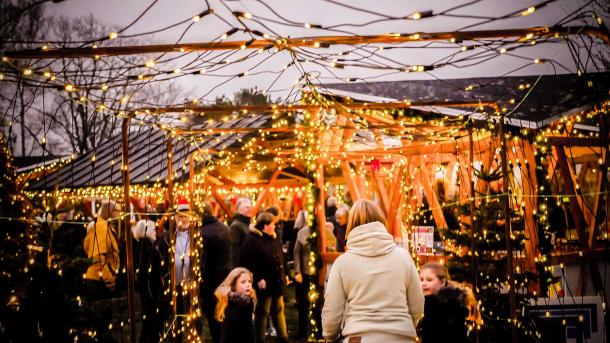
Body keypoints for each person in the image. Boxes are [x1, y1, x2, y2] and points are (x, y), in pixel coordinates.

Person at [322, 199, 424, 343]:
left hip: (359, 336)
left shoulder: (342, 263)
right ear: (381, 221)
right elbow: (417, 305)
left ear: (351, 225)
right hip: (401, 337)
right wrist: (402, 328)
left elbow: (332, 314)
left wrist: (330, 336)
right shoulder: (403, 258)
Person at [239, 212, 289, 343]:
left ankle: (283, 337)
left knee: (278, 309)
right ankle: (259, 339)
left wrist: (287, 274)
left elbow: (282, 257)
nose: (275, 226)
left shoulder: (274, 237)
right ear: (265, 226)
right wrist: (258, 278)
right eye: (272, 224)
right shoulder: (251, 240)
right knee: (262, 312)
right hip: (264, 283)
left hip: (277, 281)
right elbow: (248, 262)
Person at [82, 199, 121, 342]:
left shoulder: (105, 227)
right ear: (110, 212)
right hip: (98, 280)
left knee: (102, 322)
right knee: (102, 322)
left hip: (98, 278)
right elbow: (98, 257)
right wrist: (109, 279)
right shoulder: (102, 227)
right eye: (117, 212)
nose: (119, 215)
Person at [418, 262, 480, 343]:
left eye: (429, 280)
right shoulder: (428, 304)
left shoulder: (449, 307)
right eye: (421, 280)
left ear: (442, 282)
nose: (423, 283)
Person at [201, 204, 232, 343]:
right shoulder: (225, 228)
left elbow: (203, 261)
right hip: (226, 277)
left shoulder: (203, 233)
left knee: (214, 316)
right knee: (224, 313)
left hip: (211, 281)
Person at [215, 267, 257, 343]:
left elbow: (249, 330)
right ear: (234, 285)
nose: (248, 285)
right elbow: (228, 333)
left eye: (249, 281)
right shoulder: (233, 305)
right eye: (243, 282)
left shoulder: (247, 301)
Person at [230, 197, 252, 266]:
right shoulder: (236, 226)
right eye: (247, 207)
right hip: (242, 266)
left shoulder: (246, 224)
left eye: (250, 207)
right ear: (240, 210)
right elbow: (235, 250)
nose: (250, 209)